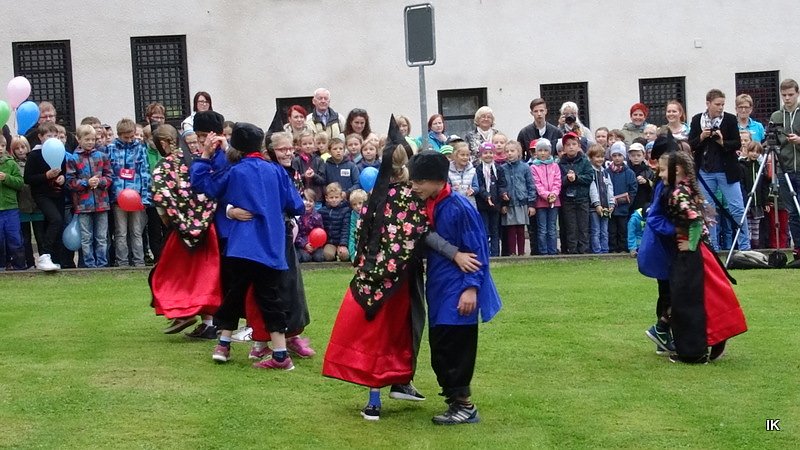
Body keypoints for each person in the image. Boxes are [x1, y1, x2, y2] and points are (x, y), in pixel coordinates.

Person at [191, 122, 304, 367]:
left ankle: (223, 344)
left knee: (234, 293)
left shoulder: (235, 171)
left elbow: (204, 185)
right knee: (270, 298)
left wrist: (206, 156)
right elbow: (297, 206)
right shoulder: (276, 171)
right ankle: (280, 354)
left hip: (242, 245)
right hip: (271, 245)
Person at [408, 150, 502, 425]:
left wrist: (471, 288)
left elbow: (477, 251)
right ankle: (454, 401)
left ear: (437, 180)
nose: (414, 186)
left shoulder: (460, 207)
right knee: (440, 347)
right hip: (438, 287)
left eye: (419, 181)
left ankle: (465, 405)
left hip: (457, 290)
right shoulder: (429, 202)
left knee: (456, 347)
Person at [650, 150, 747, 363]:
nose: (660, 174)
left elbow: (694, 221)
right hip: (700, 252)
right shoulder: (684, 188)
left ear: (677, 171)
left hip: (692, 253)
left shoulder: (677, 193)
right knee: (708, 297)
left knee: (687, 300)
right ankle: (715, 337)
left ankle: (693, 352)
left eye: (664, 169)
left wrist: (689, 244)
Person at [149, 124, 222, 334]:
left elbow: (161, 199)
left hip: (180, 231)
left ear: (162, 143)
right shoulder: (197, 160)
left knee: (174, 275)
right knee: (205, 276)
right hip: (207, 228)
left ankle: (183, 312)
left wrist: (172, 222)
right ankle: (208, 324)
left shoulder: (163, 166)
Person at [688, 89, 748, 251]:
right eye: (717, 104)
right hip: (705, 172)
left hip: (726, 171)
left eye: (722, 104)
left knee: (737, 208)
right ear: (708, 103)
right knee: (708, 210)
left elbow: (736, 143)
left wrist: (722, 141)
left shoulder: (729, 119)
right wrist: (701, 137)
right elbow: (690, 144)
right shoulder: (697, 120)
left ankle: (745, 246)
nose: (720, 107)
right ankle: (711, 246)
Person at [65, 125, 112, 268]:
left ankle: (102, 264)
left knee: (101, 237)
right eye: (87, 139)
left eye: (93, 139)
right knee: (86, 237)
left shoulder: (102, 156)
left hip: (102, 202)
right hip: (83, 205)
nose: (91, 142)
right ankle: (90, 264)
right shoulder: (73, 158)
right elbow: (70, 182)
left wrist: (100, 182)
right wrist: (86, 182)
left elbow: (109, 177)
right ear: (79, 140)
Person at [107, 118, 152, 267]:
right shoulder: (111, 148)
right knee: (120, 232)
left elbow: (144, 173)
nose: (129, 140)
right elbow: (110, 173)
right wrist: (114, 194)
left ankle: (139, 261)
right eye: (126, 137)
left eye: (131, 137)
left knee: (137, 231)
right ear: (119, 135)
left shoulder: (140, 148)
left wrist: (145, 197)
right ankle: (122, 262)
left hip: (136, 197)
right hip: (119, 198)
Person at [23, 122, 65, 271]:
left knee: (58, 225)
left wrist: (62, 178)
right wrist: (46, 176)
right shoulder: (34, 155)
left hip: (57, 194)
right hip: (41, 195)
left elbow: (63, 171)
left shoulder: (60, 150)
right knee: (56, 219)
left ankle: (55, 259)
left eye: (55, 136)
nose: (52, 139)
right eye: (48, 136)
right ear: (40, 137)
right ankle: (44, 255)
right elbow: (28, 178)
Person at [769, 78, 800, 264]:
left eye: (790, 95)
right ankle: (797, 249)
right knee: (792, 213)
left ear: (797, 94)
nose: (787, 98)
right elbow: (773, 141)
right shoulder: (776, 116)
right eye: (784, 95)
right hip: (785, 169)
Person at [11, 136, 44, 268]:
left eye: (23, 147)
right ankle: (29, 262)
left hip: (36, 205)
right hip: (22, 206)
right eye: (17, 148)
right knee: (25, 238)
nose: (20, 150)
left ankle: (43, 260)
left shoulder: (34, 160)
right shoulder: (12, 164)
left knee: (40, 236)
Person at [559, 132, 593, 254]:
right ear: (564, 148)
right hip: (568, 200)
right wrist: (567, 179)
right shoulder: (560, 163)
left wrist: (577, 178)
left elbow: (589, 177)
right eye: (568, 145)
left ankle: (583, 249)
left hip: (582, 198)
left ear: (579, 146)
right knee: (571, 226)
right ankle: (572, 250)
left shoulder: (584, 161)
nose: (571, 147)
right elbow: (559, 181)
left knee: (583, 226)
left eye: (574, 144)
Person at [500, 141, 536, 256]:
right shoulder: (502, 168)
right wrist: (503, 203)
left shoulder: (525, 167)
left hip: (521, 202)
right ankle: (512, 253)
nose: (509, 153)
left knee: (521, 228)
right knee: (511, 228)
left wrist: (531, 204)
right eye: (507, 151)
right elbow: (501, 186)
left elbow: (530, 185)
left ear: (519, 152)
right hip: (509, 202)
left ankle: (521, 252)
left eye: (512, 151)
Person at [473, 142, 506, 257]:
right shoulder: (478, 169)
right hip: (483, 205)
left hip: (496, 205)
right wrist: (486, 196)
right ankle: (486, 253)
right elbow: (479, 185)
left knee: (495, 230)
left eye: (490, 153)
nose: (488, 155)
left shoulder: (498, 169)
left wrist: (504, 194)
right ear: (481, 155)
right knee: (485, 230)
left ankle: (496, 254)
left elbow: (502, 184)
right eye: (485, 153)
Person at [529, 139, 561, 255]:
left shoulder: (555, 166)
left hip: (554, 201)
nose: (543, 153)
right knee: (542, 229)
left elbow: (558, 182)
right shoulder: (533, 167)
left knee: (552, 228)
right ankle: (543, 252)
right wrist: (547, 195)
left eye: (545, 150)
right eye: (540, 150)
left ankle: (552, 251)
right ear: (536, 152)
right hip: (541, 203)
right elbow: (537, 184)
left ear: (550, 152)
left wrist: (554, 194)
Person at [0, 135, 26, 270]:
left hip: (10, 207)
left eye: (3, 146)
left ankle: (19, 265)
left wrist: (6, 178)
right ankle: (2, 265)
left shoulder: (11, 164)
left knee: (14, 238)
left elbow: (20, 183)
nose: (0, 148)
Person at [606, 144, 638, 253]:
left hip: (624, 208)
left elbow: (633, 191)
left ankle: (623, 248)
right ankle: (613, 248)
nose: (617, 158)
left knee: (623, 230)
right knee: (612, 230)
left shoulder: (629, 173)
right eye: (614, 155)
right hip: (610, 208)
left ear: (624, 156)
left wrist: (626, 203)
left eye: (619, 155)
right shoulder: (607, 172)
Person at [739, 141, 770, 250]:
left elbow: (764, 186)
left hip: (758, 203)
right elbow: (741, 185)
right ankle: (747, 247)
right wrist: (744, 199)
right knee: (747, 227)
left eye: (757, 152)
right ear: (747, 151)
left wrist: (765, 201)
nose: (754, 154)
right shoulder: (742, 166)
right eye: (752, 151)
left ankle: (755, 247)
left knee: (756, 227)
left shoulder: (760, 167)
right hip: (746, 203)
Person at [588, 144, 614, 254]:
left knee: (604, 231)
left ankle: (605, 250)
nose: (600, 159)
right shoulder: (590, 171)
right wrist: (597, 204)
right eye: (597, 157)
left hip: (606, 207)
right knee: (595, 230)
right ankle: (597, 250)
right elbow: (592, 189)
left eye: (602, 157)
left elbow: (610, 188)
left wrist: (611, 203)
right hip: (595, 208)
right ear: (591, 158)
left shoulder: (605, 172)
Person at [319, 182, 351, 262]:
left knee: (344, 256)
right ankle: (334, 254)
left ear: (341, 197)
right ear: (326, 198)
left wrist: (343, 244)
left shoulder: (346, 210)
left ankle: (340, 253)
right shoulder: (322, 211)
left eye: (336, 197)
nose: (334, 200)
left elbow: (345, 228)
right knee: (328, 256)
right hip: (330, 242)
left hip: (341, 242)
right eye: (331, 197)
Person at [292, 130, 326, 203]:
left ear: (314, 144)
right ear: (300, 145)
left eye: (310, 143)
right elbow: (294, 180)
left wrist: (314, 175)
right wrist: (304, 176)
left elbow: (323, 180)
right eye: (304, 144)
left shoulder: (319, 160)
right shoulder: (296, 161)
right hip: (301, 198)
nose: (308, 146)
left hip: (317, 198)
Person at [296, 189, 325, 263]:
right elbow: (297, 234)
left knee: (319, 258)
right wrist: (305, 244)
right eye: (305, 200)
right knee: (305, 258)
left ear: (314, 203)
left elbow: (320, 233)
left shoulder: (317, 217)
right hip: (301, 244)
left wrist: (315, 246)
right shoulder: (297, 217)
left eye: (311, 201)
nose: (308, 203)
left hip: (315, 245)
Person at [448, 141, 477, 208]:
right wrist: (452, 189)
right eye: (462, 155)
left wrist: (472, 190)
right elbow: (446, 187)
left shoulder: (472, 170)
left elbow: (476, 186)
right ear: (455, 156)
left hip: (470, 203)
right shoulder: (449, 172)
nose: (465, 157)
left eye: (467, 155)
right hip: (455, 204)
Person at [628, 142, 654, 215]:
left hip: (643, 202)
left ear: (643, 156)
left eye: (638, 155)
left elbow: (653, 187)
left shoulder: (648, 171)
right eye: (633, 155)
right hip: (629, 204)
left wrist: (646, 182)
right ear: (629, 157)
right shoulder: (626, 170)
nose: (636, 157)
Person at [347, 189, 368, 262]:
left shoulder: (369, 213)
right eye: (354, 204)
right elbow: (352, 235)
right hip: (357, 243)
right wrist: (353, 255)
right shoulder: (353, 215)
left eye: (360, 203)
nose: (358, 206)